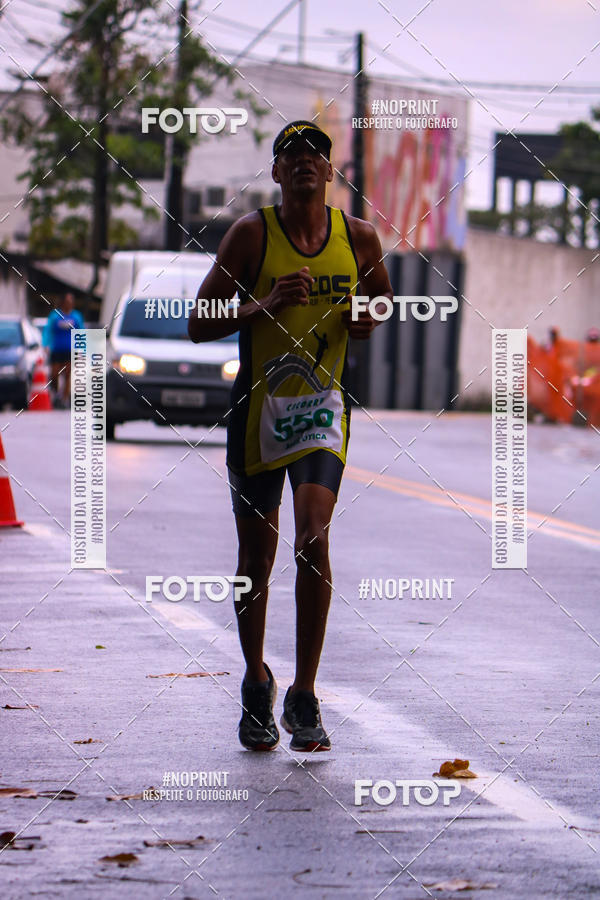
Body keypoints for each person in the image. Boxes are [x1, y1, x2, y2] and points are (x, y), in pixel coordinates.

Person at [189, 120, 392, 752]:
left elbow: (382, 298)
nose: (305, 160)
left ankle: (304, 694)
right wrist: (263, 304)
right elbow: (199, 321)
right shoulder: (251, 235)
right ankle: (257, 682)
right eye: (291, 154)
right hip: (258, 413)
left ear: (330, 172)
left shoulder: (358, 237)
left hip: (322, 411)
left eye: (316, 153)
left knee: (313, 540)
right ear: (276, 172)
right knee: (256, 559)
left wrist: (367, 316)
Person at [43, 293, 84, 407]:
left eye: (71, 302)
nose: (69, 304)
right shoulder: (55, 315)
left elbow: (81, 332)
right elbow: (48, 331)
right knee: (54, 374)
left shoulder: (76, 316)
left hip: (70, 351)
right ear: (63, 302)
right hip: (56, 350)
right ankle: (56, 394)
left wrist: (82, 348)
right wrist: (45, 345)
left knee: (67, 375)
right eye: (67, 301)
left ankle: (64, 399)